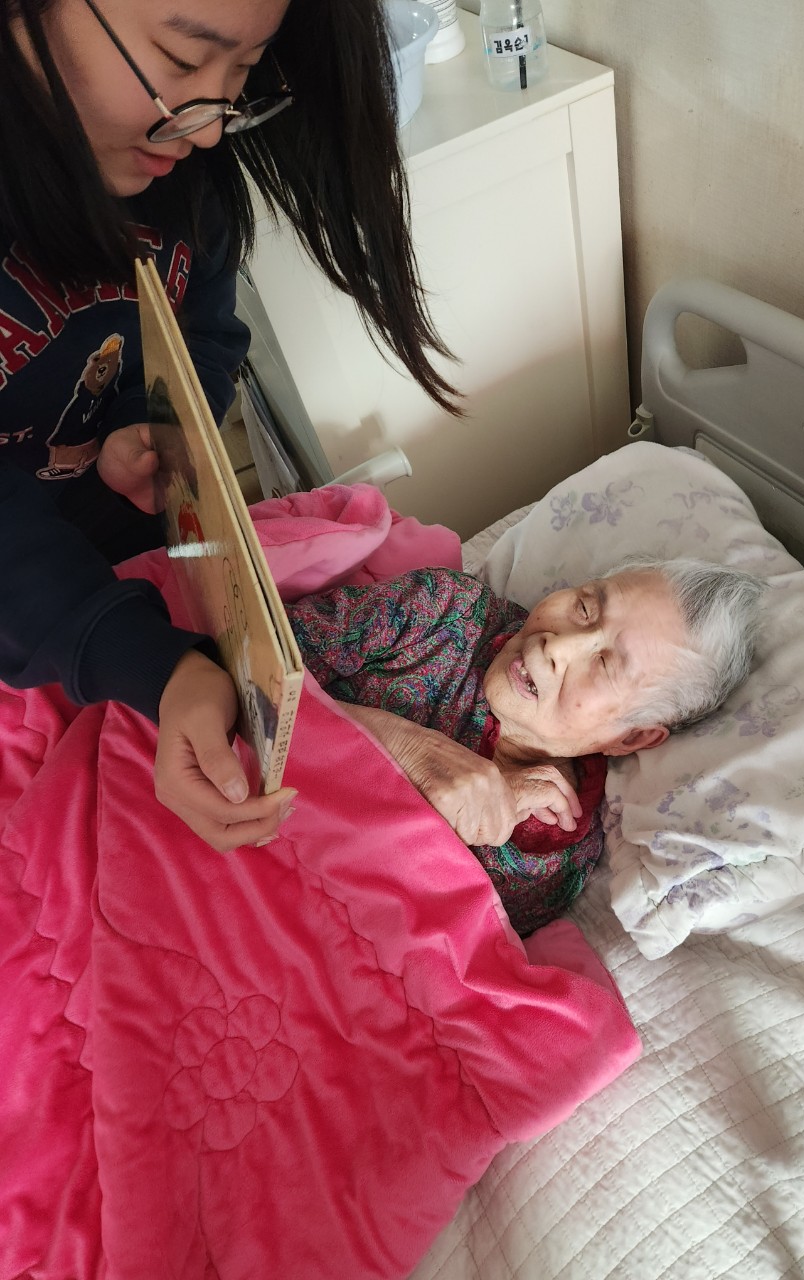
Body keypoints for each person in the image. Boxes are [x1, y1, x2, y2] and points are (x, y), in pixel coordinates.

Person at [0, 0, 461, 850]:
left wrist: (151, 422)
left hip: (127, 570)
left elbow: (203, 335)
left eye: (244, 74)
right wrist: (145, 660)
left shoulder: (181, 171)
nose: (210, 129)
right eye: (182, 60)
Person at [288, 559, 764, 936]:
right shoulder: (443, 611)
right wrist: (404, 747)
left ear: (632, 737)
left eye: (604, 664)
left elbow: (383, 932)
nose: (557, 646)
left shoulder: (547, 854)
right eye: (585, 607)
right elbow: (261, 663)